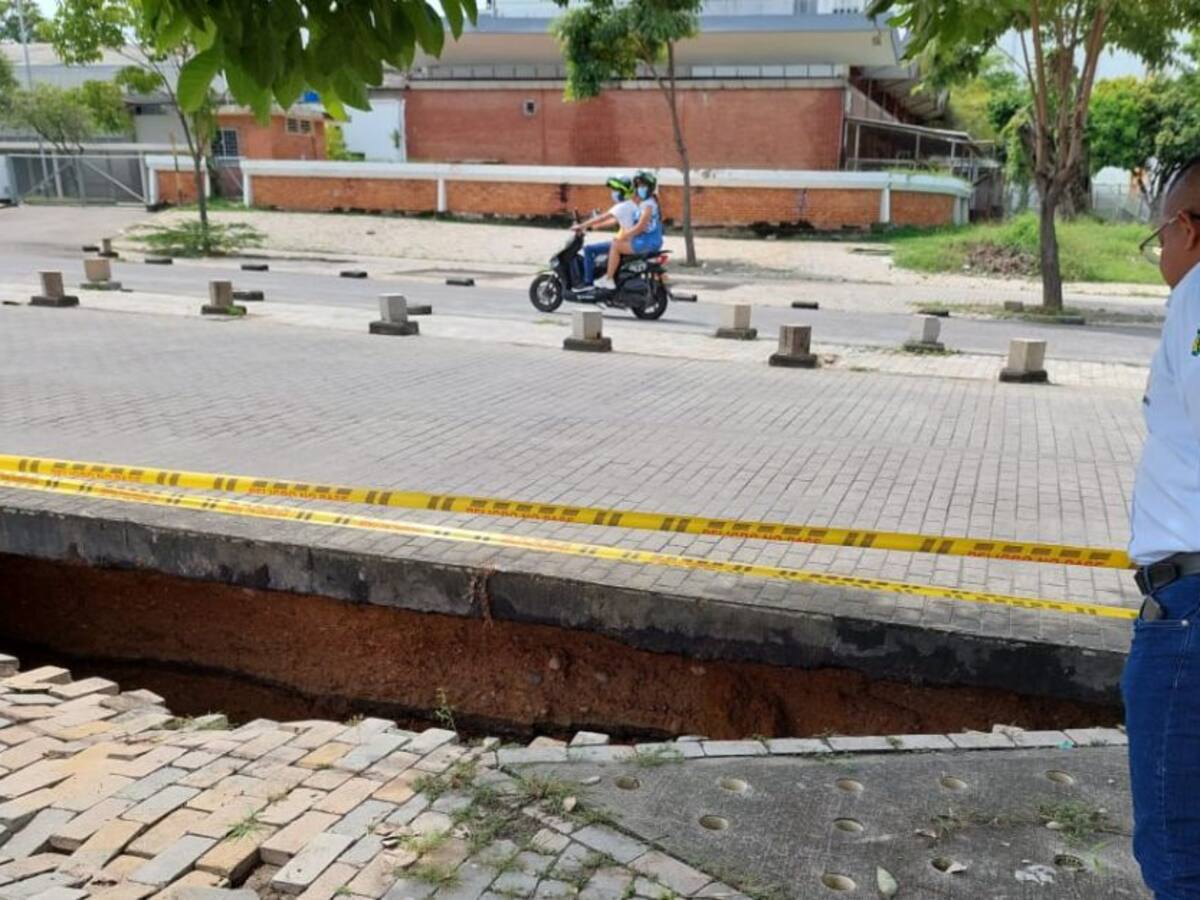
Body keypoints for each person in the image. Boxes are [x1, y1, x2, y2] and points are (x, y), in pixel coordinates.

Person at [1124, 154, 1200, 900]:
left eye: (1160, 237)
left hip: (1191, 610)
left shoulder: (1199, 294)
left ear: (1186, 226)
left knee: (1179, 851)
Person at [594, 170, 663, 291]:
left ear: (650, 187)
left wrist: (626, 234)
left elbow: (641, 226)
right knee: (617, 243)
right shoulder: (646, 203)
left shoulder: (648, 205)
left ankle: (609, 279)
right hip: (647, 241)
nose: (640, 188)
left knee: (615, 246)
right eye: (638, 185)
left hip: (646, 242)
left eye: (643, 185)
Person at [573, 175, 638, 288]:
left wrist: (581, 225)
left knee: (588, 250)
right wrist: (593, 227)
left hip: (626, 244)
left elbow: (602, 217)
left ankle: (588, 283)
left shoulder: (621, 207)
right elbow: (613, 221)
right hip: (631, 242)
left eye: (616, 190)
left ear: (623, 192)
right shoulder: (631, 204)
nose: (613, 193)